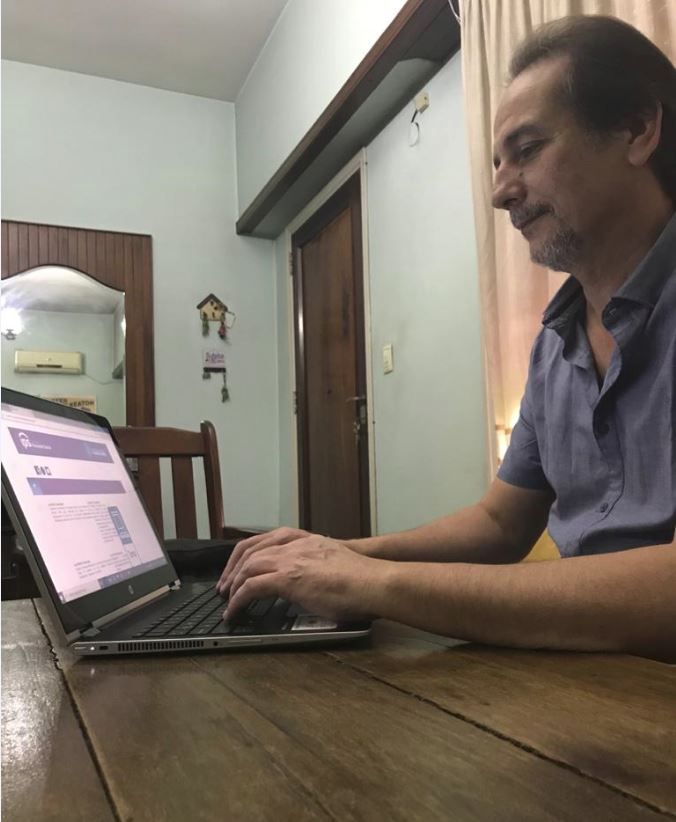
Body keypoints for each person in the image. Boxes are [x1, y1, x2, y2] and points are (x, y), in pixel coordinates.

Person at [218, 15, 676, 661]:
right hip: (590, 675)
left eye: (527, 149)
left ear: (637, 129)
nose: (500, 192)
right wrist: (340, 554)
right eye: (497, 162)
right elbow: (499, 523)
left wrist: (374, 583)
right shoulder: (555, 346)